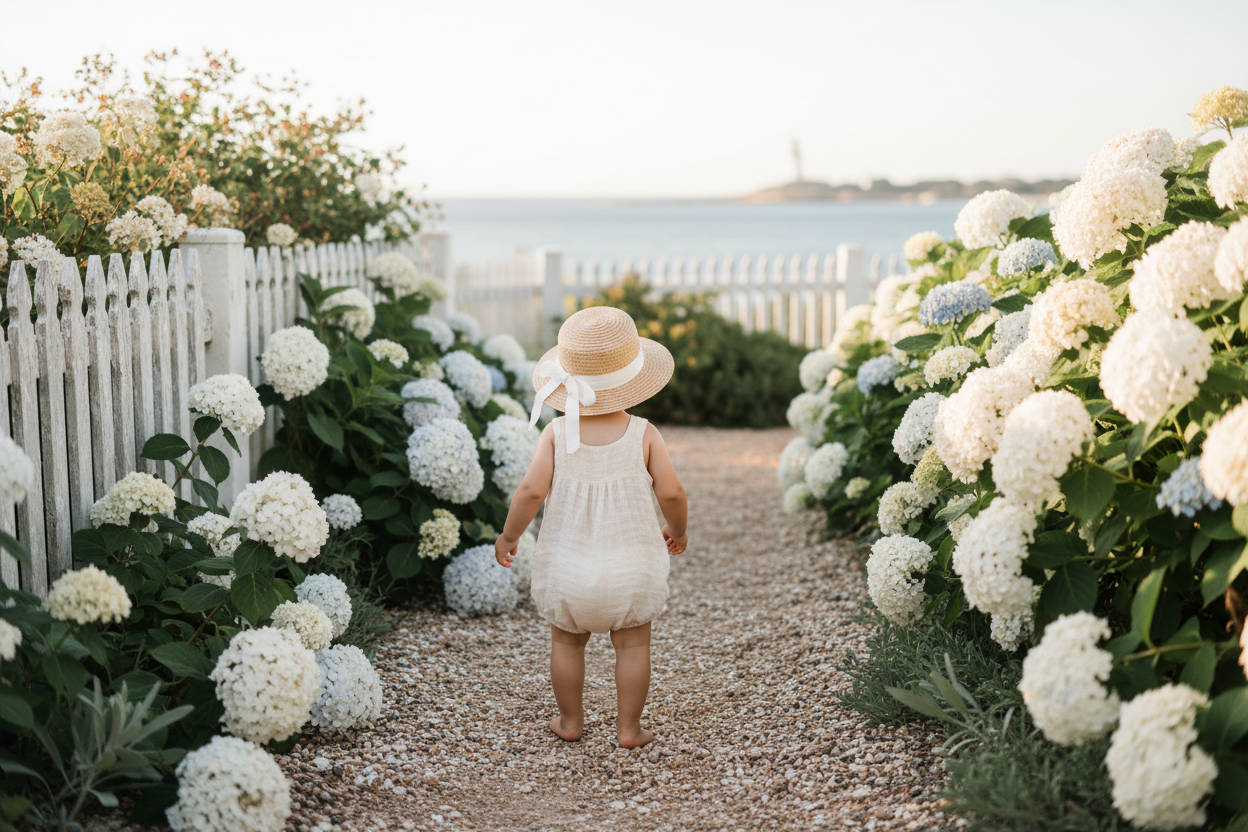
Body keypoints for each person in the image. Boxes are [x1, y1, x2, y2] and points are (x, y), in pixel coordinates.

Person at [495, 306, 688, 749]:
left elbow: (529, 492)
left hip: (568, 568)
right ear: (631, 382)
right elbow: (673, 493)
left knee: (566, 644)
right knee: (634, 647)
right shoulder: (644, 433)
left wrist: (509, 537)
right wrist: (678, 530)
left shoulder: (556, 434)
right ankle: (628, 729)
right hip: (631, 570)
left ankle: (570, 721)